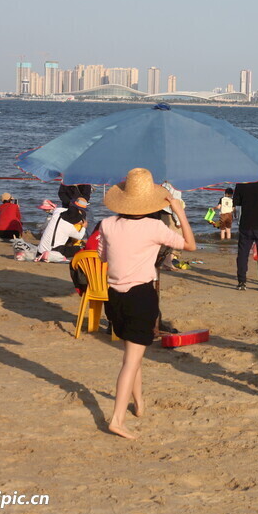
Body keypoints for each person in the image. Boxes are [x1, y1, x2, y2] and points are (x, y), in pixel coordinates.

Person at [99, 167, 195, 439]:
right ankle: (117, 419)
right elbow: (190, 245)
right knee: (131, 360)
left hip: (114, 297)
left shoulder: (107, 224)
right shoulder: (154, 227)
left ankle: (139, 404)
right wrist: (179, 211)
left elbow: (104, 258)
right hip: (140, 296)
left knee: (133, 352)